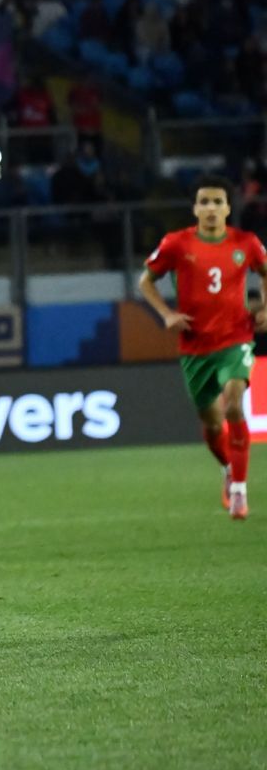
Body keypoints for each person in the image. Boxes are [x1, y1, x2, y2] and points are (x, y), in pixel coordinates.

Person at [138, 177, 267, 520]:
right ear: (195, 209)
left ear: (228, 208)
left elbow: (265, 271)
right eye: (204, 202)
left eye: (217, 202)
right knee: (212, 424)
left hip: (236, 339)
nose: (211, 208)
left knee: (235, 405)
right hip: (195, 347)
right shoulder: (176, 244)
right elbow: (146, 280)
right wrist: (166, 314)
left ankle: (239, 492)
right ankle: (227, 468)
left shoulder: (247, 243)